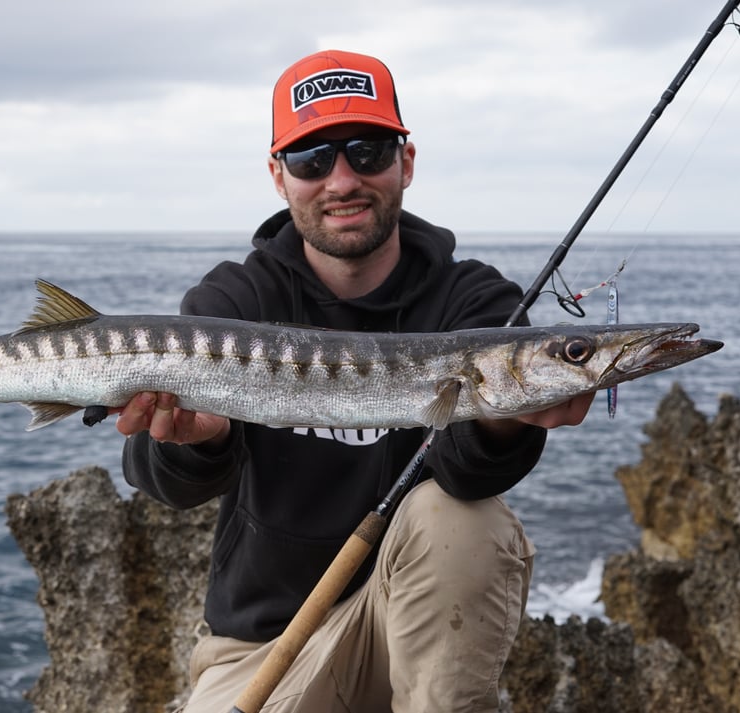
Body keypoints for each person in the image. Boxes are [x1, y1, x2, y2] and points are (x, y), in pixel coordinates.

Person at [115, 49, 594, 713]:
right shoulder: (234, 300)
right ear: (279, 176)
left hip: (413, 630)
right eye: (312, 159)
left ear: (406, 162)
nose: (342, 181)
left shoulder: (476, 302)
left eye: (367, 151)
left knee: (460, 517)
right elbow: (159, 480)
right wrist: (200, 440)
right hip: (261, 648)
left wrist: (501, 418)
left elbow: (468, 477)